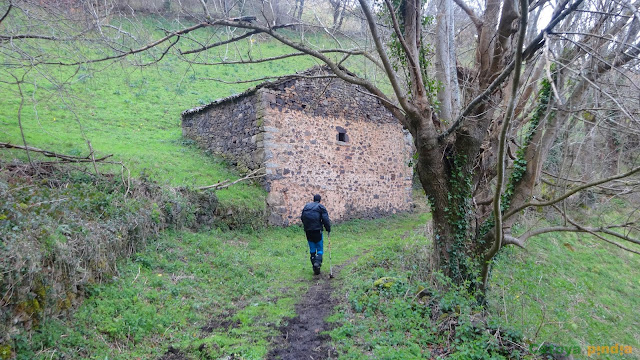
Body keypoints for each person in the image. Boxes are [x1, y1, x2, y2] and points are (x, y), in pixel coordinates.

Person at [300, 194, 331, 275]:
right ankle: (317, 263)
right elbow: (325, 219)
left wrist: (306, 227)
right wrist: (328, 229)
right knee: (320, 249)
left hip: (308, 231)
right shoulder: (321, 207)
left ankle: (314, 264)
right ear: (320, 200)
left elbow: (302, 218)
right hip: (317, 231)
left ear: (313, 199)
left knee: (312, 249)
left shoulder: (306, 207)